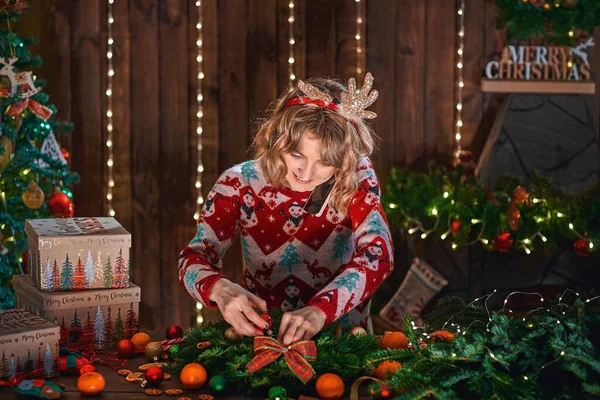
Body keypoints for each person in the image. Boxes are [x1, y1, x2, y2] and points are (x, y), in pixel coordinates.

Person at [178, 73, 393, 346]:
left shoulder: (356, 177)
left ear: (346, 158)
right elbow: (193, 258)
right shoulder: (238, 183)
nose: (307, 173)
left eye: (325, 162)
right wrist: (220, 289)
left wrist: (320, 310)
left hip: (345, 343)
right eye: (296, 155)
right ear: (276, 140)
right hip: (260, 342)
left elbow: (379, 254)